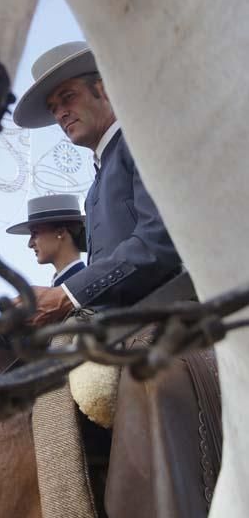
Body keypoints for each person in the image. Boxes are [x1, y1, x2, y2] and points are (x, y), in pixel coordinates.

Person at [12, 40, 181, 325]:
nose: (60, 113)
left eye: (68, 97)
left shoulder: (140, 143)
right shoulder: (92, 192)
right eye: (53, 108)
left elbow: (160, 240)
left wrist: (67, 296)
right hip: (120, 329)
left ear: (103, 90)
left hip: (171, 318)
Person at [6, 193, 86, 287]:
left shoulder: (84, 287)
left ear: (60, 232)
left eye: (35, 233)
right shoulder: (74, 284)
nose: (30, 244)